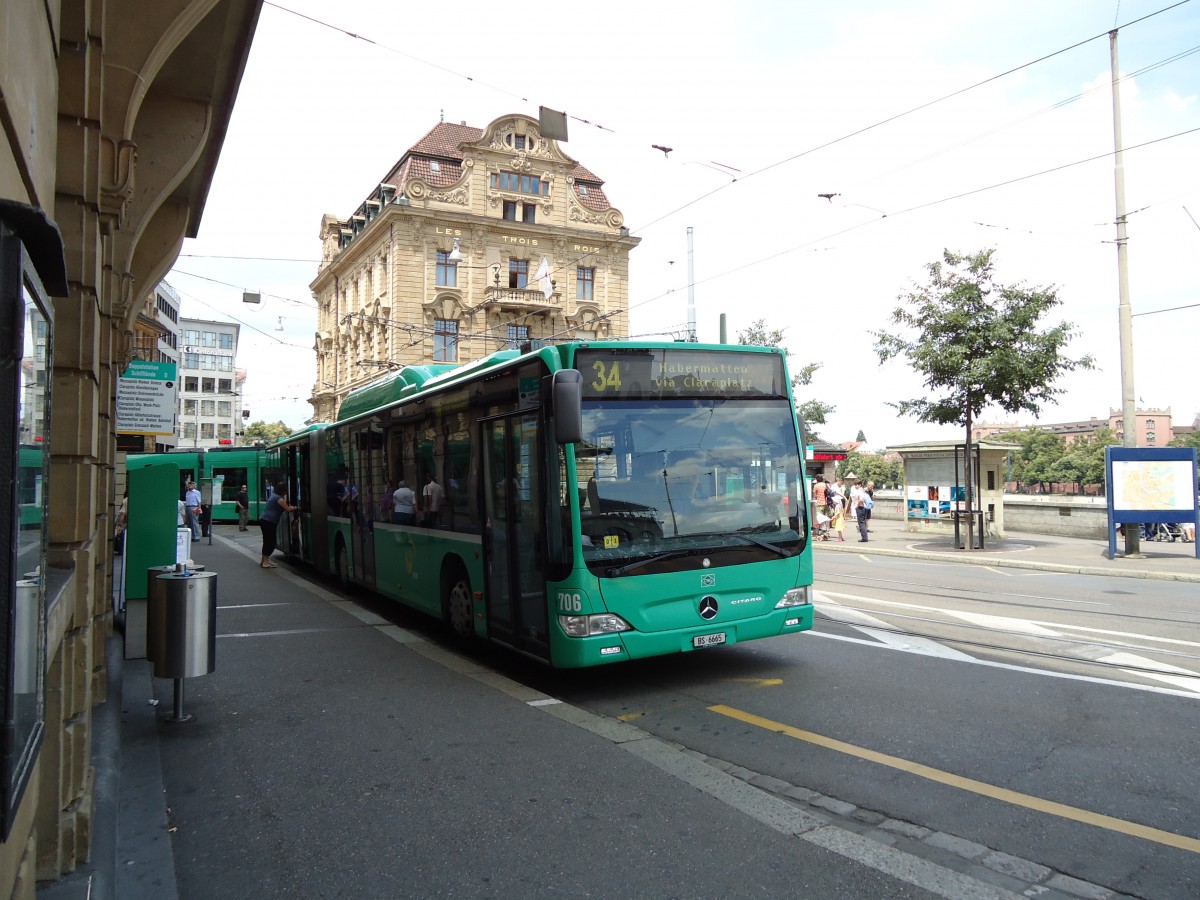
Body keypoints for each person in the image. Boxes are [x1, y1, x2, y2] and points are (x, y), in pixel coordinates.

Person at [259, 481, 298, 569]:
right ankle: (265, 562)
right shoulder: (279, 499)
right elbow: (288, 509)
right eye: (285, 490)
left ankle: (264, 560)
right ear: (282, 490)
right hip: (269, 522)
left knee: (267, 541)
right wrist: (297, 508)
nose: (286, 492)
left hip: (265, 520)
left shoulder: (274, 496)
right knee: (271, 542)